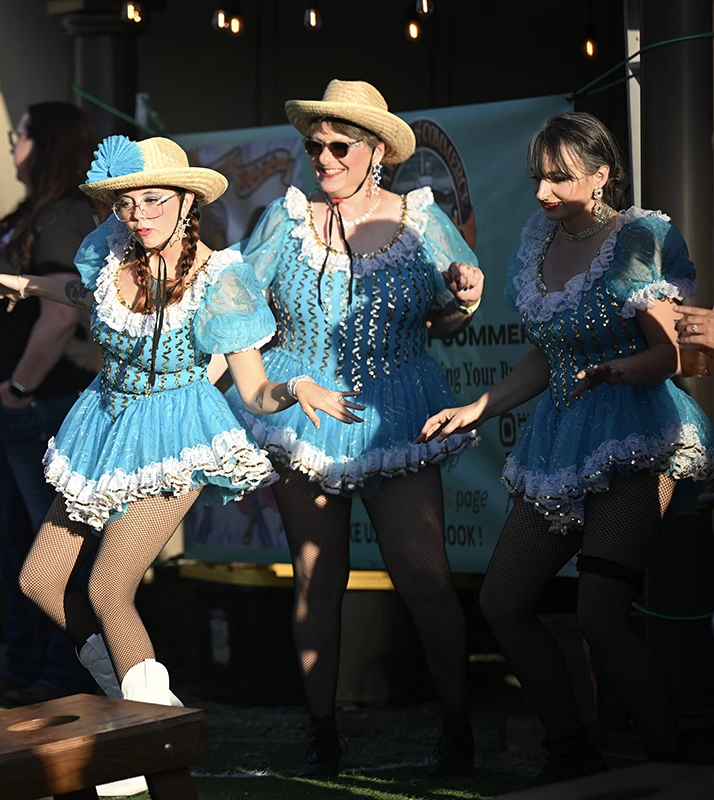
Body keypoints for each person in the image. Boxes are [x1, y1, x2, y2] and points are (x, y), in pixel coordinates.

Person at [0, 135, 362, 796]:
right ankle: (146, 708)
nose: (139, 214)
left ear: (186, 201)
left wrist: (295, 388)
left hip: (176, 434)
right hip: (102, 425)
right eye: (127, 203)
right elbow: (82, 292)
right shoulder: (109, 248)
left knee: (107, 589)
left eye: (154, 200)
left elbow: (254, 388)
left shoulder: (220, 278)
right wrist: (26, 283)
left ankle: (145, 745)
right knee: (41, 580)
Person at [419, 111, 712, 784]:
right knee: (502, 603)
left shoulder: (638, 236)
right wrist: (477, 407)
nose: (543, 192)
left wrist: (613, 371)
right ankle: (570, 750)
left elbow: (670, 354)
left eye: (559, 178)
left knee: (601, 615)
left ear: (601, 174)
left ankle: (672, 769)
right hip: (562, 436)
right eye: (536, 178)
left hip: (638, 433)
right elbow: (547, 355)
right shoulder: (538, 239)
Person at [219, 79, 483, 778]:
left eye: (340, 146)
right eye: (316, 146)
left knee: (425, 577)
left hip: (397, 408)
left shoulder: (421, 219)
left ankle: (458, 724)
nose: (325, 158)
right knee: (317, 577)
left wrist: (465, 299)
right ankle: (322, 733)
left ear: (377, 152)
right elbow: (234, 302)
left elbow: (450, 318)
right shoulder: (287, 219)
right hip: (306, 412)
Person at [0, 102, 102, 703]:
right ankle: (23, 666)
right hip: (8, 403)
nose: (11, 144)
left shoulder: (67, 215)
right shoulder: (30, 213)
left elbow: (60, 312)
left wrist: (20, 389)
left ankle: (63, 673)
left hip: (42, 401)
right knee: (6, 531)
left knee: (50, 544)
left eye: (19, 134)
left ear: (45, 144)